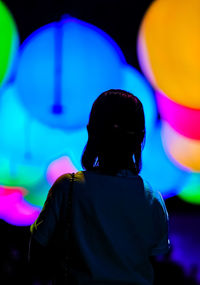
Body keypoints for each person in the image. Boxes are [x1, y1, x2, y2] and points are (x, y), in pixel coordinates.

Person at [29, 89, 170, 285]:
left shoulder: (68, 188)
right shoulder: (152, 199)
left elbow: (37, 258)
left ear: (92, 132)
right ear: (140, 138)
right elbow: (158, 260)